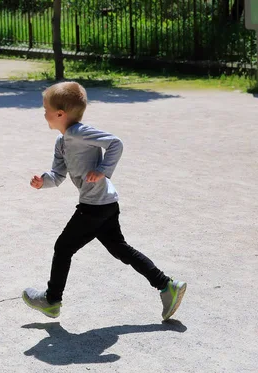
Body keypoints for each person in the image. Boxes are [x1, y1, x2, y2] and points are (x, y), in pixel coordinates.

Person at [23, 81, 186, 320]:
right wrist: (42, 181)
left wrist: (102, 170)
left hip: (94, 205)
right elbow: (57, 175)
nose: (43, 113)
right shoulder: (61, 142)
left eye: (45, 109)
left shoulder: (79, 132)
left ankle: (51, 300)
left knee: (63, 247)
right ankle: (166, 285)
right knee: (120, 248)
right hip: (105, 203)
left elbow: (115, 143)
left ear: (60, 114)